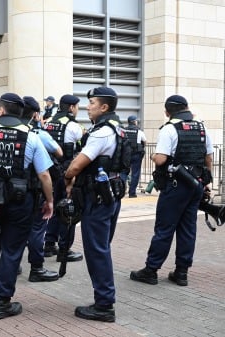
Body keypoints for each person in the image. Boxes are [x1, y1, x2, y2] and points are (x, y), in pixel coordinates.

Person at [0, 93, 54, 319]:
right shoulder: (32, 138)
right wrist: (50, 201)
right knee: (12, 251)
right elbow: (44, 174)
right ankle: (3, 302)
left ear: (1, 111)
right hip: (21, 203)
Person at [130, 95, 212, 287]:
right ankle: (181, 272)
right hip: (196, 184)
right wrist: (206, 182)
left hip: (176, 186)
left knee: (165, 228)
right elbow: (208, 157)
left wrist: (153, 157)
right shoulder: (201, 127)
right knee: (188, 229)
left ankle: (151, 270)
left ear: (167, 111)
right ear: (186, 108)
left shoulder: (169, 129)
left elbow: (160, 159)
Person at [64, 86, 128, 323]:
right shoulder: (118, 129)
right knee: (102, 247)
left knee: (97, 249)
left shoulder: (101, 132)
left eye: (92, 103)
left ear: (104, 107)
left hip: (97, 199)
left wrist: (67, 178)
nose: (87, 107)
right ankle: (104, 299)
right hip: (110, 196)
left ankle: (104, 305)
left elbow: (76, 165)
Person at [20, 96, 61, 282]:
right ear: (36, 114)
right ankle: (36, 269)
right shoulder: (38, 135)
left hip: (7, 193)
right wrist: (50, 200)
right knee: (37, 229)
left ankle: (12, 265)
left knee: (13, 230)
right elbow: (58, 153)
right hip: (34, 191)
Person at [43, 94, 85, 263]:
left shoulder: (50, 122)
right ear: (71, 107)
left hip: (51, 170)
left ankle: (49, 244)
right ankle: (64, 250)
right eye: (77, 107)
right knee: (68, 209)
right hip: (67, 172)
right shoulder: (73, 126)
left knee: (52, 207)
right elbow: (82, 146)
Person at [120, 115, 147, 198]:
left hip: (126, 155)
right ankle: (132, 193)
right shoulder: (139, 131)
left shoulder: (123, 130)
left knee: (123, 172)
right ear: (134, 122)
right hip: (136, 154)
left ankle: (121, 191)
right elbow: (145, 141)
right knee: (135, 174)